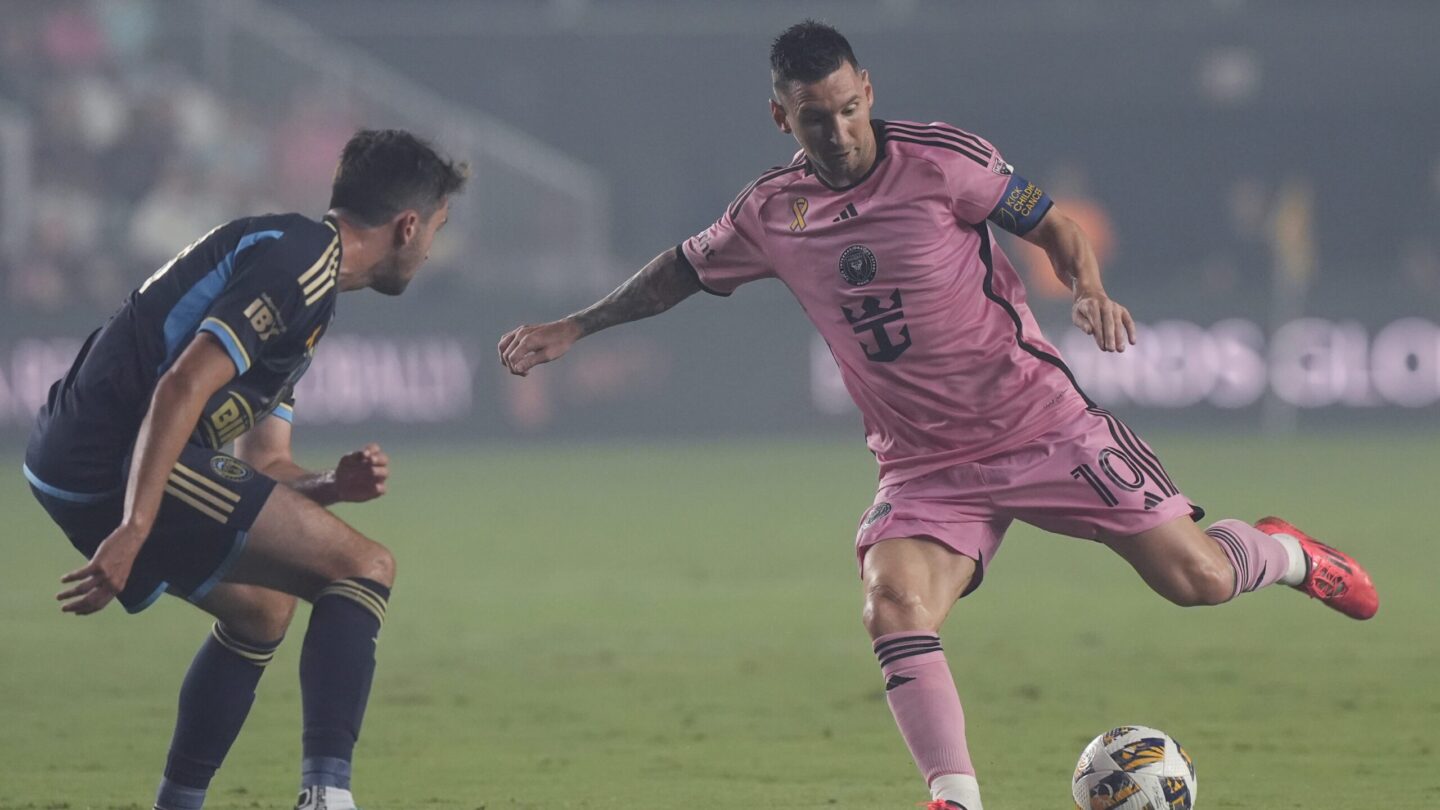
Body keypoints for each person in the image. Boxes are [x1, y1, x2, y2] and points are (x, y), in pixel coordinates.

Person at [497, 21, 1377, 810]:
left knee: (1198, 581)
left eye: (847, 108)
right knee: (893, 603)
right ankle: (954, 800)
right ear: (781, 119)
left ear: (867, 90)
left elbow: (1056, 227)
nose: (837, 131)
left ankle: (1291, 554)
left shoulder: (942, 159)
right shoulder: (771, 211)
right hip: (926, 468)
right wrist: (575, 325)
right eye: (814, 117)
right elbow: (680, 270)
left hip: (1043, 426)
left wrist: (1092, 290)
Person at [24, 129, 467, 810]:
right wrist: (135, 527)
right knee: (364, 567)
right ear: (408, 225)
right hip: (113, 452)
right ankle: (327, 798)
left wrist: (328, 488)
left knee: (263, 610)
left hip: (84, 454)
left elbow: (264, 465)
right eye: (437, 227)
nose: (431, 248)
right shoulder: (300, 264)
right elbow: (180, 386)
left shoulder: (304, 280)